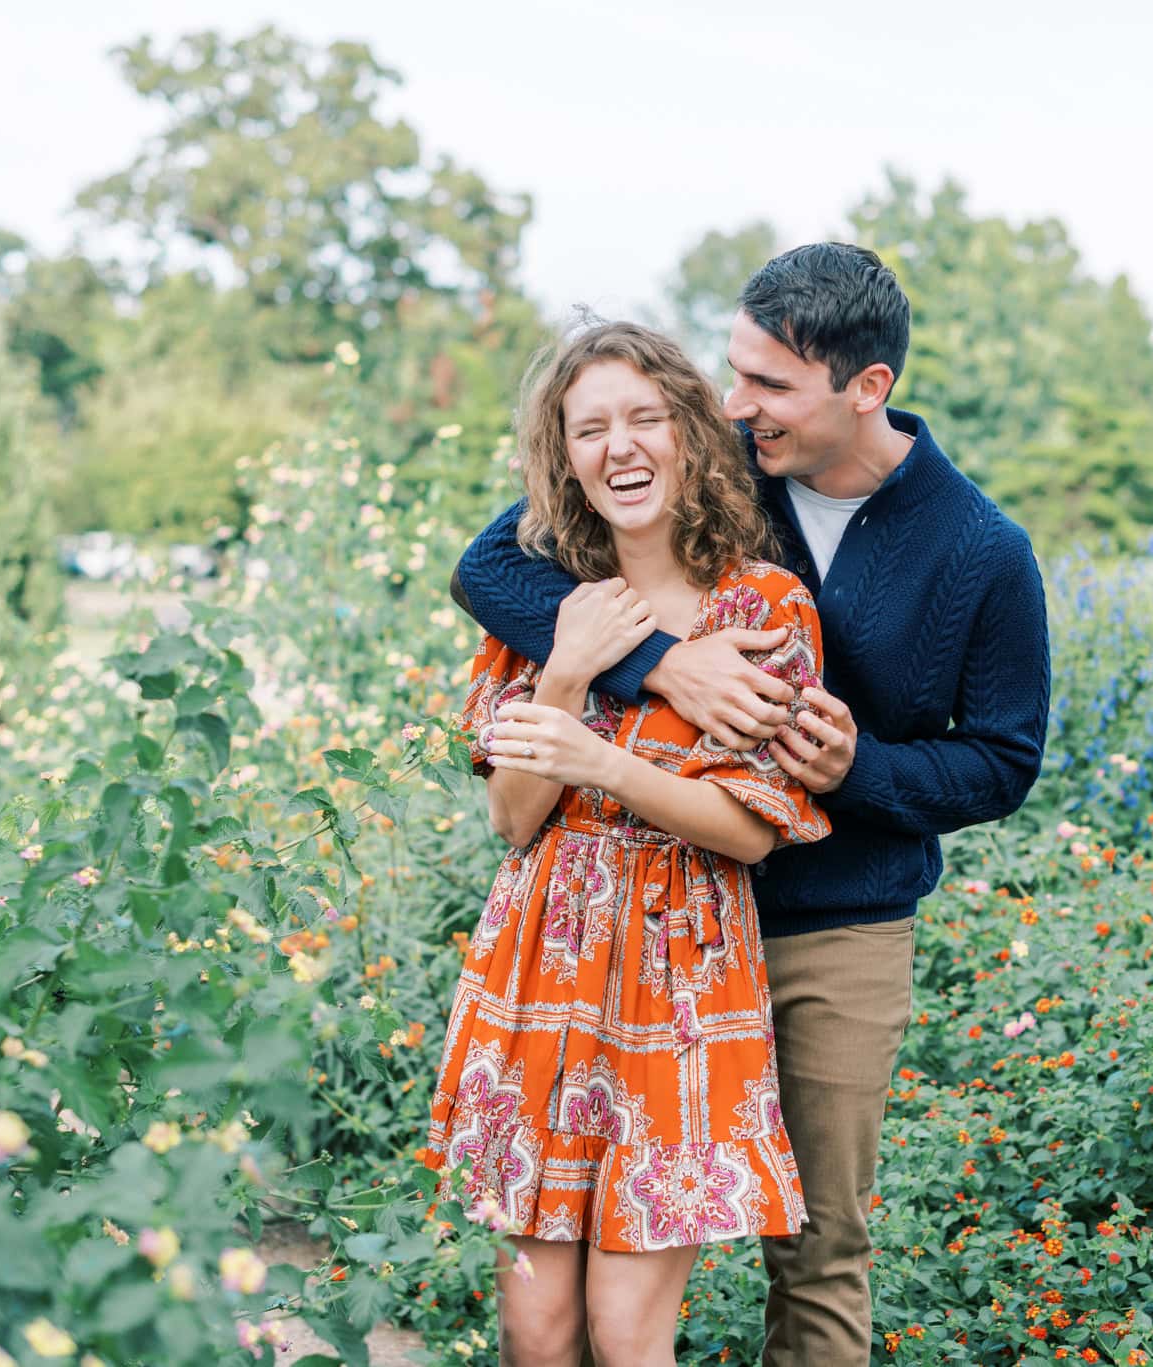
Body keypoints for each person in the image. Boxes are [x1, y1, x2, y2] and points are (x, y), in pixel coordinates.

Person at [453, 243, 1051, 1365]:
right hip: (630, 928)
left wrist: (855, 770)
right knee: (570, 1262)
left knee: (818, 1240)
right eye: (732, 374)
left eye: (769, 385)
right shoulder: (700, 453)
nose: (737, 406)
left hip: (835, 919)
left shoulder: (980, 549)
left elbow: (1003, 762)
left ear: (863, 388)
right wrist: (664, 666)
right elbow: (496, 568)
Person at [424, 320, 830, 1367]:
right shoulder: (549, 597)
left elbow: (748, 829)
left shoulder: (763, 605)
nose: (621, 446)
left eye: (644, 417)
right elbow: (514, 819)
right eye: (590, 426)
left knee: (624, 1329)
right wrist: (562, 670)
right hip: (541, 971)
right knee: (536, 1326)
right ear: (563, 455)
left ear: (691, 434)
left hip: (682, 983)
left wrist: (602, 762)